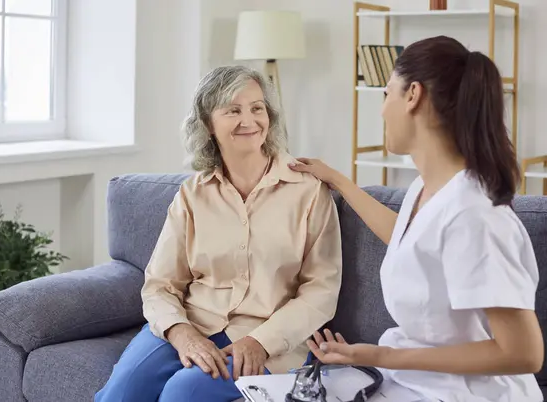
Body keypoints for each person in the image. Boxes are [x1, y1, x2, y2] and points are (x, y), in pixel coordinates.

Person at [290, 35, 544, 401]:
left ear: (413, 95)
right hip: (415, 383)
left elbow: (523, 352)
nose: (381, 110)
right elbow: (411, 242)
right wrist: (341, 182)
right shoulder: (427, 190)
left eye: (386, 94)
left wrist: (381, 355)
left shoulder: (475, 216)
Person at [94, 65, 343, 402]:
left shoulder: (309, 191)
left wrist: (260, 342)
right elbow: (160, 284)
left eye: (257, 108)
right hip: (193, 323)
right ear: (208, 124)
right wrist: (181, 334)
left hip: (267, 337)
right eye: (233, 110)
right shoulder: (192, 194)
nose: (249, 120)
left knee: (183, 392)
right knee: (121, 394)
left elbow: (321, 292)